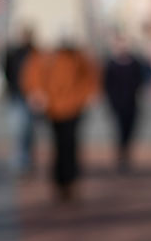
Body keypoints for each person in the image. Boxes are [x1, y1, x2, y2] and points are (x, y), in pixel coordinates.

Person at [21, 38, 99, 202]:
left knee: (71, 144)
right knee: (59, 145)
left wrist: (88, 95)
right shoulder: (45, 54)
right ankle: (60, 182)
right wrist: (37, 93)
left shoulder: (77, 55)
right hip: (53, 107)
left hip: (74, 106)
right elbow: (33, 75)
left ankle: (71, 181)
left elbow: (90, 75)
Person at [102, 31, 151, 173]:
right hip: (117, 104)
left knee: (130, 130)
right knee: (119, 130)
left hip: (132, 103)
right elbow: (107, 85)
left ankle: (126, 154)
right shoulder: (111, 64)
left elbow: (140, 80)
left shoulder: (135, 63)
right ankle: (121, 155)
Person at [3, 26, 38, 174]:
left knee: (29, 130)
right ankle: (21, 160)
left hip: (32, 96)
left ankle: (27, 159)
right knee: (19, 129)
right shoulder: (14, 53)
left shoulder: (35, 53)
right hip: (17, 95)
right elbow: (7, 71)